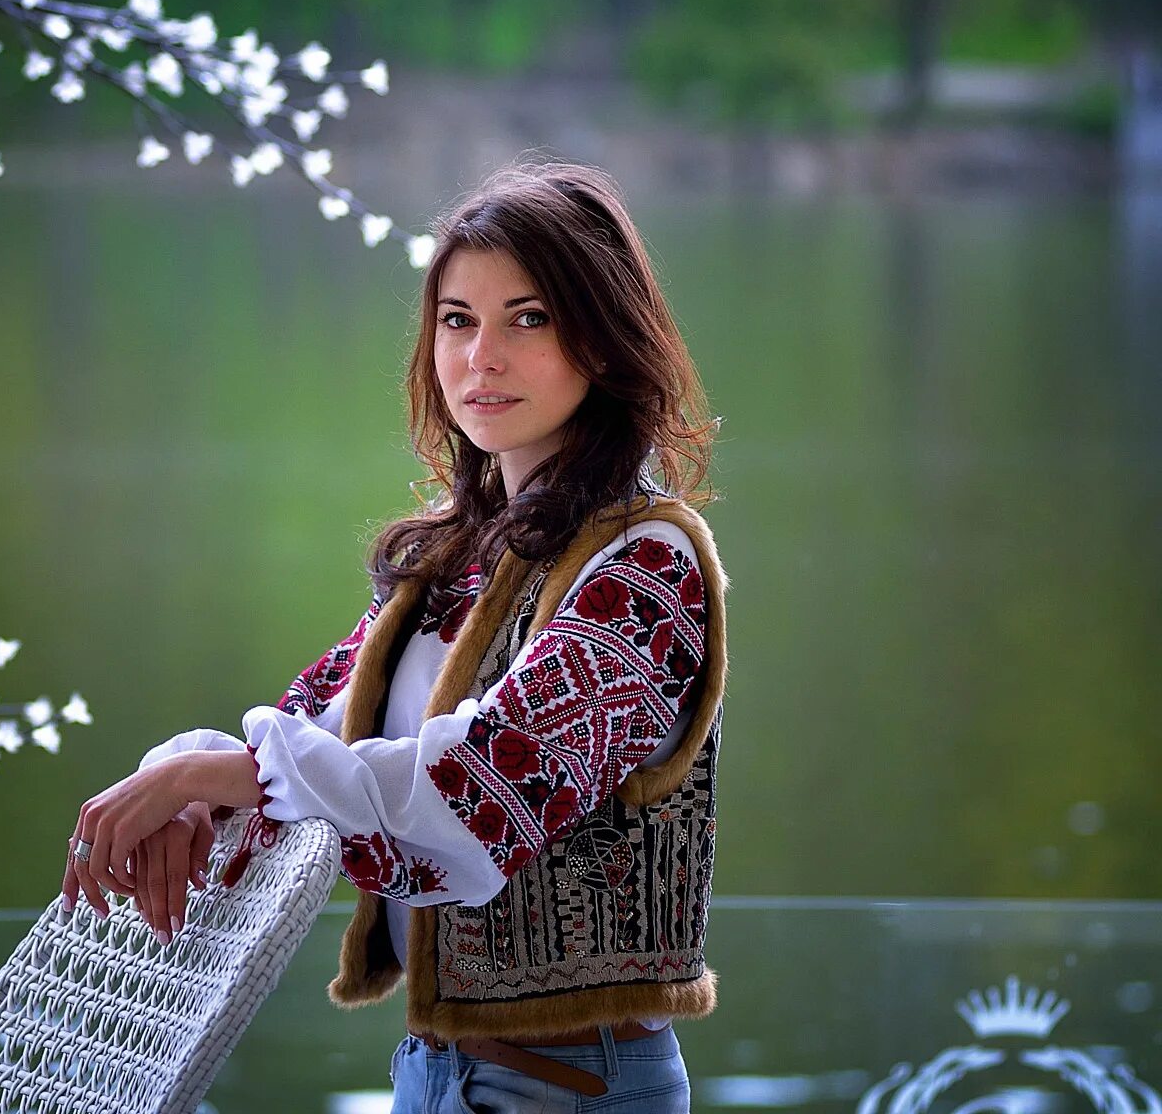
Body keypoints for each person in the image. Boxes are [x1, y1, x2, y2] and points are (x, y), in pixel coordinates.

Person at [58, 158, 729, 1114]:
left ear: (606, 340)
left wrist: (230, 778)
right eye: (458, 319)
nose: (479, 357)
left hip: (576, 1085)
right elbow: (311, 731)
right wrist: (187, 782)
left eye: (528, 318)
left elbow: (486, 789)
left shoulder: (645, 566)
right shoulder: (458, 557)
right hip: (433, 1071)